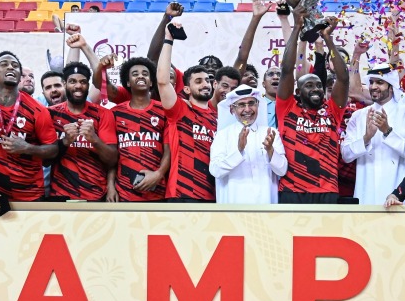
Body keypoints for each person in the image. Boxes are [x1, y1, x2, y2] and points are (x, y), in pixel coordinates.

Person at [0, 50, 58, 211]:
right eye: (4, 64)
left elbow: (53, 151)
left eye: (15, 66)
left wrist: (27, 148)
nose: (11, 67)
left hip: (31, 195)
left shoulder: (38, 110)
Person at [275, 10, 349, 204]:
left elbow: (343, 77)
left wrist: (327, 39)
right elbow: (286, 70)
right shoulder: (287, 108)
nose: (316, 88)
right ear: (298, 92)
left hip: (327, 190)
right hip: (292, 190)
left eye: (318, 85)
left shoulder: (333, 110)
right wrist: (297, 27)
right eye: (308, 85)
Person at [340, 65, 405, 205]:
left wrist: (387, 131)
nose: (373, 86)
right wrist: (366, 138)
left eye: (379, 82)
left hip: (399, 196)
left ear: (391, 87)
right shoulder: (358, 116)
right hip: (366, 195)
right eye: (371, 82)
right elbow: (346, 155)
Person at [157, 23, 217, 202]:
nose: (205, 84)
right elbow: (162, 81)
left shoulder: (219, 117)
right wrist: (169, 39)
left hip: (213, 194)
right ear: (187, 89)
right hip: (182, 193)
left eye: (207, 80)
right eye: (198, 81)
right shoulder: (180, 110)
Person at [48, 61, 118, 201]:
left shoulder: (103, 114)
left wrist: (94, 139)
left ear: (88, 85)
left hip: (96, 193)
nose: (78, 86)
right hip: (60, 193)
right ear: (64, 83)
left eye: (83, 82)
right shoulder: (50, 114)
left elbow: (113, 160)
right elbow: (44, 160)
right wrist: (65, 142)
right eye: (72, 81)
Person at [209, 85, 287, 204]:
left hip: (266, 207)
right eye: (241, 105)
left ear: (258, 106)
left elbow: (282, 170)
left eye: (251, 103)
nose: (247, 109)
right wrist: (238, 150)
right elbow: (215, 171)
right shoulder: (222, 135)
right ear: (232, 110)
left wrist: (270, 150)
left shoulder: (270, 133)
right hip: (233, 208)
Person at [109, 56, 169, 202]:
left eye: (145, 73)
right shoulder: (115, 112)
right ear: (128, 82)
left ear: (151, 82)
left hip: (157, 192)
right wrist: (110, 186)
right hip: (124, 192)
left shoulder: (164, 111)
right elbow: (111, 155)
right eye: (135, 74)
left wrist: (159, 174)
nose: (141, 76)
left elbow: (169, 149)